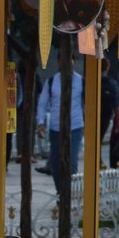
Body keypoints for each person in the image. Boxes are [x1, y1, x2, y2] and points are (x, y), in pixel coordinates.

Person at [35, 51, 85, 195]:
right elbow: (42, 104)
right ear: (58, 62)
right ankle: (60, 193)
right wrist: (41, 123)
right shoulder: (51, 82)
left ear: (74, 62)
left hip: (75, 127)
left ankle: (70, 195)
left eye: (70, 60)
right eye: (62, 60)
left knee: (71, 163)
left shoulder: (81, 81)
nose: (66, 63)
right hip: (56, 129)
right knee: (56, 164)